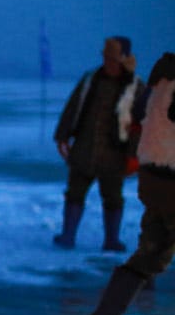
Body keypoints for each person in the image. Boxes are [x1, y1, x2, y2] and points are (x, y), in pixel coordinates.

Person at [88, 52, 175, 315]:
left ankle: (107, 314)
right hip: (171, 176)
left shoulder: (160, 77)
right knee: (154, 248)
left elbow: (138, 114)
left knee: (153, 249)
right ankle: (107, 314)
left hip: (154, 174)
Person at [53, 36, 146, 251]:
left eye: (112, 58)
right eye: (106, 57)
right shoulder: (90, 80)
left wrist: (135, 156)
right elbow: (72, 108)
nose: (108, 62)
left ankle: (111, 240)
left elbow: (142, 126)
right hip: (84, 150)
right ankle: (68, 236)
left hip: (115, 155)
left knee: (113, 198)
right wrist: (62, 136)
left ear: (124, 59)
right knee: (74, 193)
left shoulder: (135, 87)